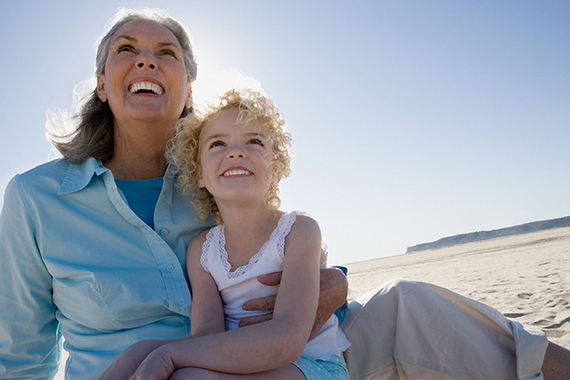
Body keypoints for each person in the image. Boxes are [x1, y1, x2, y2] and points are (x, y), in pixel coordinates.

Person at [1, 7, 568, 380]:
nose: (146, 58)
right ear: (103, 83)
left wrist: (334, 281)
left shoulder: (220, 170)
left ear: (188, 90)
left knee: (408, 303)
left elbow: (295, 250)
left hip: (278, 356)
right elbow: (21, 356)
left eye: (166, 52)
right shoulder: (36, 200)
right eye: (125, 49)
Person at [100, 88, 351, 379]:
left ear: (277, 168)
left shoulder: (299, 231)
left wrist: (168, 354)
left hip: (310, 364)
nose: (236, 151)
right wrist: (150, 353)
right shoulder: (202, 250)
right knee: (134, 355)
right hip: (240, 363)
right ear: (199, 175)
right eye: (218, 144)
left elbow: (289, 339)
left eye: (254, 141)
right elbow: (206, 337)